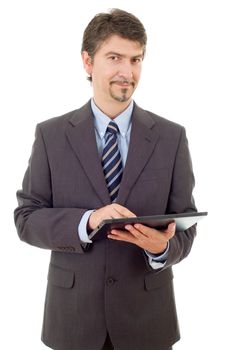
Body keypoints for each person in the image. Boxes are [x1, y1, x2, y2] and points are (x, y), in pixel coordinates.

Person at [14, 8, 197, 350]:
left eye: (136, 59)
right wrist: (89, 220)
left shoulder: (172, 137)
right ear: (88, 62)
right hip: (73, 321)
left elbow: (185, 225)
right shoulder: (51, 136)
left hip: (147, 322)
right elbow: (26, 220)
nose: (127, 72)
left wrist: (163, 250)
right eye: (114, 57)